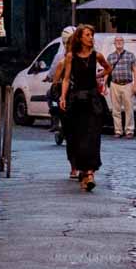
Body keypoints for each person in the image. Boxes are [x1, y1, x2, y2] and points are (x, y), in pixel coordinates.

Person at [55, 24, 111, 191]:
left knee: (93, 137)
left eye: (92, 35)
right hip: (77, 101)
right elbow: (65, 79)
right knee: (79, 137)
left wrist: (98, 76)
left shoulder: (97, 56)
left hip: (93, 100)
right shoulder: (71, 57)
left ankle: (90, 173)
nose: (91, 38)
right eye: (87, 35)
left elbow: (108, 68)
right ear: (80, 38)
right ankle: (83, 172)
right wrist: (63, 97)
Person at [106, 34, 136, 138]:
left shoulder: (130, 55)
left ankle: (129, 131)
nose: (119, 42)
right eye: (117, 41)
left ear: (123, 43)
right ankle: (118, 131)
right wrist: (104, 85)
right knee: (116, 110)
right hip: (115, 84)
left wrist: (135, 85)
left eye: (121, 40)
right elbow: (108, 71)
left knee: (129, 109)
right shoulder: (110, 56)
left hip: (127, 84)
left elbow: (135, 70)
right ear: (114, 43)